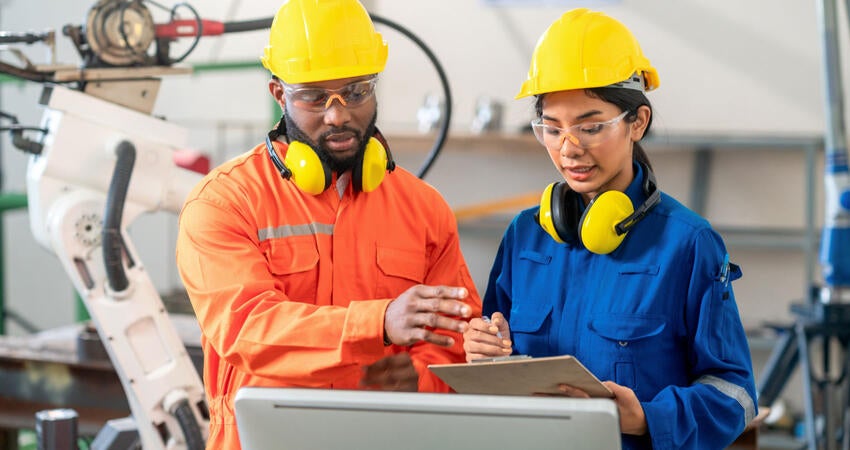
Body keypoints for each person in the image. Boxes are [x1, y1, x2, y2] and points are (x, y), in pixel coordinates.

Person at [175, 0, 481, 448]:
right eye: (315, 97)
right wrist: (376, 324)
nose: (338, 114)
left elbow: (454, 343)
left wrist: (419, 378)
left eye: (356, 92)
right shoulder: (224, 202)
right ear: (280, 94)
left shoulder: (424, 208)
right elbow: (247, 329)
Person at [462, 8, 757, 450]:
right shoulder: (525, 236)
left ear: (637, 122)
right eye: (552, 128)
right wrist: (483, 354)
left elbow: (735, 395)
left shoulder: (688, 244)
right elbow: (496, 362)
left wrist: (648, 419)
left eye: (591, 126)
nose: (568, 149)